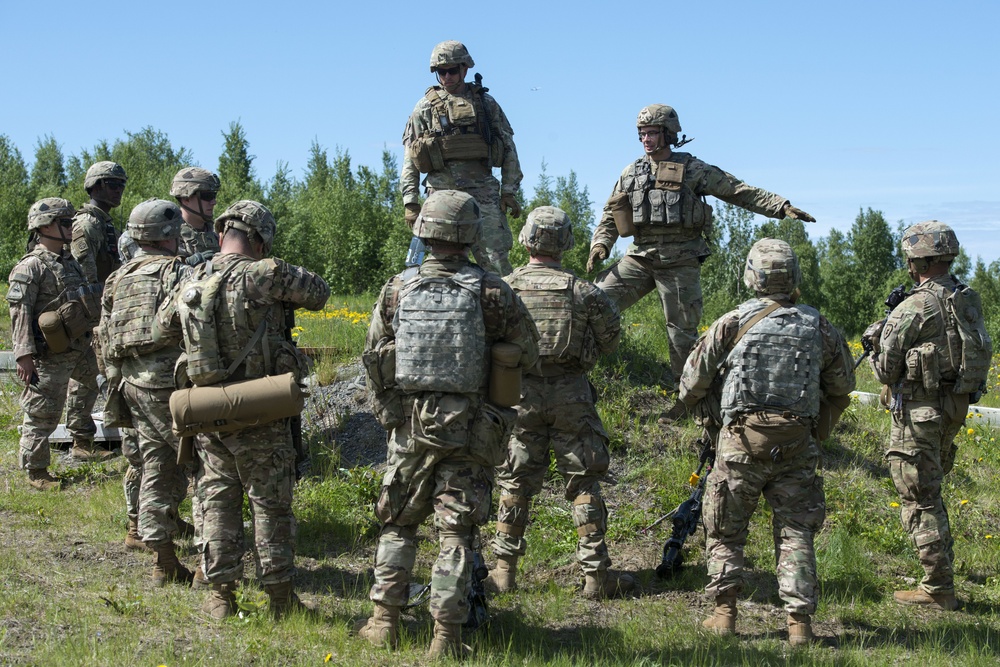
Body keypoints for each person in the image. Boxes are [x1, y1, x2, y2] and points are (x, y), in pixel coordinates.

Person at [356, 190, 538, 658]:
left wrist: (391, 416)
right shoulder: (493, 290)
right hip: (472, 427)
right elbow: (528, 353)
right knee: (455, 531)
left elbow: (375, 356)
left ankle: (383, 622)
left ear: (425, 233)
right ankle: (446, 638)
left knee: (398, 523)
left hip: (410, 426)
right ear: (471, 234)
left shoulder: (397, 288)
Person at [156, 200, 329, 618]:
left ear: (221, 234)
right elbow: (320, 294)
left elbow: (163, 325)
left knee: (215, 500)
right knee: (270, 504)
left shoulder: (191, 278)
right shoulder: (264, 274)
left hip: (210, 411)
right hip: (261, 409)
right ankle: (281, 599)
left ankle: (220, 597)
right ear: (259, 239)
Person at [679, 239, 855, 645]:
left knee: (725, 530)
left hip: (741, 443)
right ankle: (800, 626)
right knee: (796, 532)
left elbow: (690, 384)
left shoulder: (731, 322)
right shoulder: (819, 325)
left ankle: (724, 616)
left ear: (751, 275)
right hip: (796, 444)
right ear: (793, 276)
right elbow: (844, 383)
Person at [588, 105, 815, 419]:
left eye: (652, 132)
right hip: (640, 258)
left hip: (681, 261)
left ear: (668, 134)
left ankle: (686, 404)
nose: (646, 139)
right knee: (591, 301)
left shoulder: (692, 168)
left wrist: (781, 206)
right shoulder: (631, 172)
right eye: (642, 133)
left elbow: (737, 190)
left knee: (681, 336)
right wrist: (600, 244)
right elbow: (609, 216)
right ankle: (579, 376)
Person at [487, 206, 633, 599]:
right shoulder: (585, 292)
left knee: (514, 480)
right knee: (584, 483)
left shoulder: (504, 288)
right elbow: (610, 341)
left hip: (518, 395)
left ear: (527, 239)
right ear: (566, 242)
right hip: (572, 394)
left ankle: (503, 572)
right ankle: (595, 575)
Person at [864, 221, 992, 611]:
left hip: (919, 414)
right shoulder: (966, 299)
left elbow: (886, 370)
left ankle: (938, 589)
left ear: (914, 260)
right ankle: (940, 577)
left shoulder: (914, 306)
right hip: (952, 408)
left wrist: (873, 343)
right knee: (931, 492)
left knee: (919, 500)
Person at [100, 199, 194, 584]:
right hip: (172, 386)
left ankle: (163, 560)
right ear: (170, 236)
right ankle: (210, 565)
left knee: (155, 468)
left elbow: (105, 336)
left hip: (131, 385)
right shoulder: (178, 272)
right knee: (203, 466)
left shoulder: (116, 279)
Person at [8, 198, 110, 490]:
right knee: (43, 411)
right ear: (44, 227)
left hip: (79, 345)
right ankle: (37, 470)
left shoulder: (69, 261)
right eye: (65, 223)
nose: (71, 228)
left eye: (71, 222)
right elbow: (20, 313)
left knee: (92, 383)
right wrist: (24, 355)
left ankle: (81, 441)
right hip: (49, 354)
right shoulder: (30, 267)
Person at [401, 40, 522, 276]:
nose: (447, 76)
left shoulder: (486, 104)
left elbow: (508, 148)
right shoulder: (424, 108)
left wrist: (509, 191)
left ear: (465, 69)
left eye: (452, 70)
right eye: (441, 71)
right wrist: (410, 202)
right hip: (439, 196)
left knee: (496, 265)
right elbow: (411, 156)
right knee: (430, 265)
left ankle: (505, 311)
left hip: (483, 195)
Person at [68, 160, 129, 460]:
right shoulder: (87, 224)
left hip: (104, 308)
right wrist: (96, 317)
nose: (119, 190)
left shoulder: (103, 222)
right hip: (92, 311)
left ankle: (83, 438)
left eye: (121, 185)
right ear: (97, 186)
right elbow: (84, 276)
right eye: (113, 184)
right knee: (88, 373)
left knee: (94, 372)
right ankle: (80, 441)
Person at [119, 167, 221, 264]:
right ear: (186, 197)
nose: (214, 202)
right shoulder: (157, 234)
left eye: (214, 195)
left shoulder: (220, 234)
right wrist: (186, 264)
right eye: (207, 196)